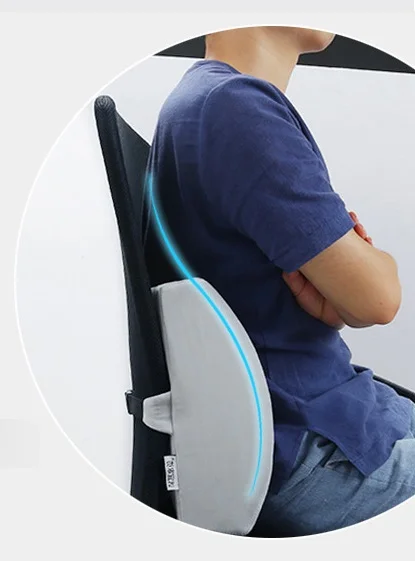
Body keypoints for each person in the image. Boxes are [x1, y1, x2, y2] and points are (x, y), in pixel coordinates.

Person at [147, 26, 415, 536]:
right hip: (319, 450)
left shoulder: (205, 103)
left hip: (335, 420)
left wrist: (346, 292)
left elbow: (355, 304)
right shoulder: (234, 107)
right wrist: (372, 265)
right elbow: (380, 300)